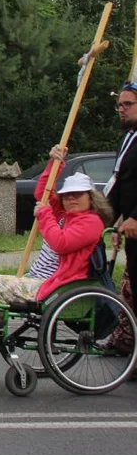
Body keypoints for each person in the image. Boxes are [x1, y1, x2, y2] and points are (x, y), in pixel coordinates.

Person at [0, 148, 112, 362]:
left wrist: (44, 214)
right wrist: (54, 164)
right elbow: (43, 194)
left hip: (58, 286)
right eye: (67, 195)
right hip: (48, 282)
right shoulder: (67, 215)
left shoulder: (91, 222)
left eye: (77, 194)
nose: (71, 199)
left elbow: (60, 243)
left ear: (91, 198)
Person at [108, 83, 137, 325]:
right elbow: (119, 185)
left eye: (128, 104)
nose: (121, 109)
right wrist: (107, 222)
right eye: (119, 105)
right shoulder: (127, 140)